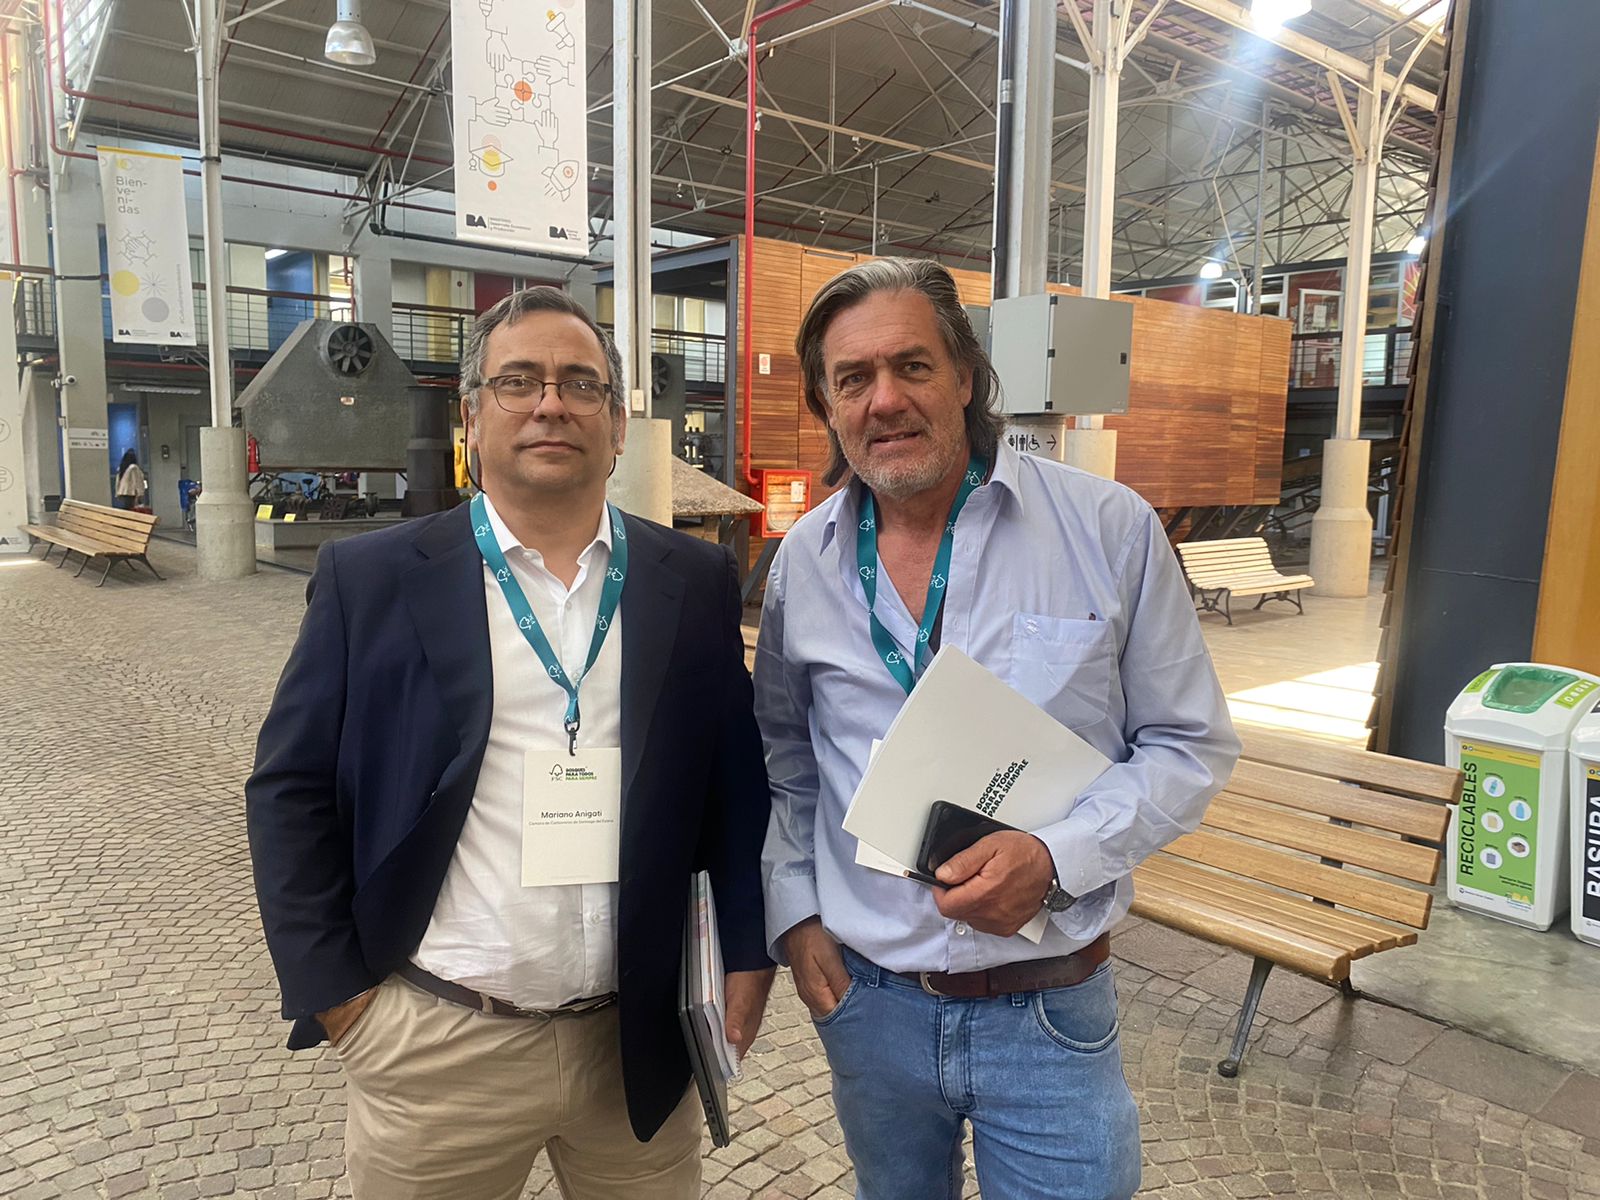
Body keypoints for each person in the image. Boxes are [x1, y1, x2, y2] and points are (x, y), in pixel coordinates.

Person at [247, 286, 775, 1200]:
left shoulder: (690, 580)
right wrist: (342, 1002)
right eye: (518, 381)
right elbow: (289, 789)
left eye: (581, 384)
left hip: (637, 1048)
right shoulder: (370, 579)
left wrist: (749, 952)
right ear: (472, 419)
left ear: (618, 425)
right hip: (440, 1046)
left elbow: (733, 788)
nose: (550, 404)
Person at [757, 258, 1241, 1200]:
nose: (885, 399)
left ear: (967, 376)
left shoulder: (1108, 529)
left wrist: (1057, 857)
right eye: (853, 379)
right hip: (871, 1007)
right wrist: (797, 914)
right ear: (826, 405)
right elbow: (788, 758)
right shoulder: (804, 562)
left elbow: (1191, 745)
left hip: (1049, 1005)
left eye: (913, 366)